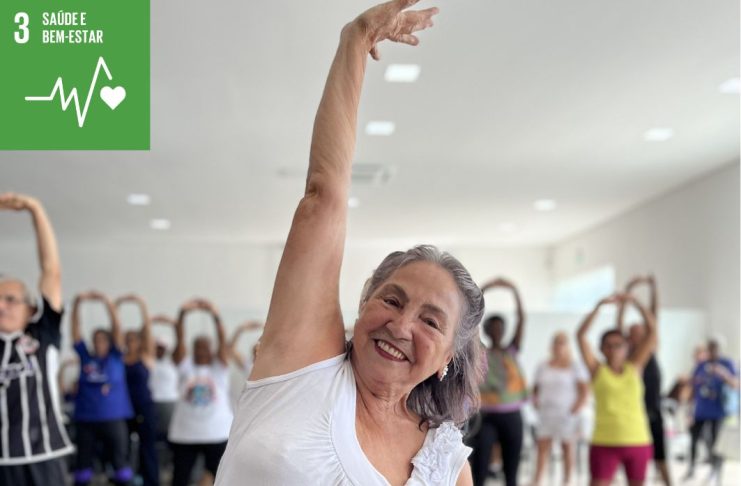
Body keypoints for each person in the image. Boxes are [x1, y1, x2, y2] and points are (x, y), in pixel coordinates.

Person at [214, 2, 485, 485]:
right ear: (364, 304)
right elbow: (323, 199)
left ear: (448, 358)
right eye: (392, 300)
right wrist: (355, 42)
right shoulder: (303, 365)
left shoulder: (445, 463)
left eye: (430, 321)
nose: (401, 325)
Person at [0, 192, 74, 485]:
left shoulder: (42, 335)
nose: (2, 306)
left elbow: (51, 271)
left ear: (30, 308)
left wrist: (35, 209)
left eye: (10, 299)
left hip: (43, 457)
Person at [577, 293, 656, 486]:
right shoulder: (597, 370)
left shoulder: (635, 367)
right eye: (608, 346)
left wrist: (636, 302)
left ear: (626, 347)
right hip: (604, 441)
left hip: (637, 439)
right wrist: (598, 306)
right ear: (601, 349)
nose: (613, 350)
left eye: (618, 345)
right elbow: (580, 336)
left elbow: (652, 332)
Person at [71, 291, 134, 486]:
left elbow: (117, 328)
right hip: (86, 418)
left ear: (109, 342)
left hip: (113, 417)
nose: (98, 343)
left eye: (102, 340)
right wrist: (77, 304)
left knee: (119, 462)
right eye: (95, 340)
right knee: (83, 464)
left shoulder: (115, 356)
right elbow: (75, 331)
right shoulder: (86, 357)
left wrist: (108, 303)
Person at [168, 298, 233, 486]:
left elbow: (222, 340)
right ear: (193, 349)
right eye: (198, 347)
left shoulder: (219, 368)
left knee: (221, 479)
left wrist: (215, 315)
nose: (202, 350)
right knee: (180, 479)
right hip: (185, 434)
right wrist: (182, 314)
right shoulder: (185, 366)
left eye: (205, 347)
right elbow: (179, 339)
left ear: (211, 349)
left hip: (217, 432)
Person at [470, 278, 527, 486]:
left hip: (512, 416)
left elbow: (522, 320)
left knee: (511, 472)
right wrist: (483, 290)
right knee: (479, 470)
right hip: (486, 416)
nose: (496, 331)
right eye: (492, 328)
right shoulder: (480, 351)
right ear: (486, 330)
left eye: (499, 328)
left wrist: (514, 291)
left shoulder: (511, 350)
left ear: (504, 330)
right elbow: (470, 318)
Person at [617, 275, 671, 486]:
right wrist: (627, 293)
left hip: (653, 410)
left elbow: (653, 316)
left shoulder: (651, 349)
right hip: (633, 414)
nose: (636, 335)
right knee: (633, 460)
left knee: (660, 457)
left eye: (640, 331)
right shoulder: (627, 356)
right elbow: (618, 323)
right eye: (632, 333)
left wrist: (652, 289)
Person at [531, 332, 589, 486]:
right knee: (542, 446)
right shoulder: (543, 366)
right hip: (546, 413)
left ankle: (567, 480)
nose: (559, 346)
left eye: (562, 343)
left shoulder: (575, 367)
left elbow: (584, 391)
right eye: (556, 342)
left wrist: (575, 409)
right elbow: (535, 388)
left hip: (567, 413)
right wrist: (536, 403)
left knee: (567, 446)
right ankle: (537, 480)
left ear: (568, 346)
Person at [117, 294, 159, 486]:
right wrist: (115, 306)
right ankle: (125, 480)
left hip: (144, 407)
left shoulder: (146, 356)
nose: (129, 342)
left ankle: (151, 481)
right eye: (127, 339)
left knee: (147, 447)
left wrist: (142, 305)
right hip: (124, 408)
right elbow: (115, 330)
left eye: (133, 339)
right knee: (123, 447)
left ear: (140, 341)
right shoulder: (119, 358)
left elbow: (148, 330)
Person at [684, 337, 738, 480]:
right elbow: (693, 386)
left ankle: (716, 471)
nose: (713, 350)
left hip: (718, 411)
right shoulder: (702, 365)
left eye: (715, 347)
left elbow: (735, 384)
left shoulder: (726, 363)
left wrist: (722, 373)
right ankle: (691, 469)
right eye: (710, 347)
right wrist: (689, 411)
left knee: (716, 442)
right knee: (694, 438)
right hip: (701, 410)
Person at [149, 315, 179, 441]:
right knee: (152, 434)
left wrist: (174, 325)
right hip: (152, 401)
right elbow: (141, 338)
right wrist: (149, 322)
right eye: (157, 347)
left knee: (169, 435)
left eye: (162, 347)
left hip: (169, 402)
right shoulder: (148, 360)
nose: (159, 350)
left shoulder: (173, 361)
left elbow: (180, 339)